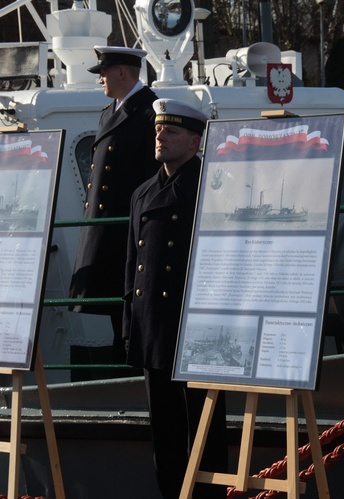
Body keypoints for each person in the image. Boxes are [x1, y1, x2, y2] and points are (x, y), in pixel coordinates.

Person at [123, 99, 227, 499]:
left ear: (195, 142)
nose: (161, 137)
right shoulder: (142, 193)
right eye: (158, 131)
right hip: (153, 328)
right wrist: (131, 328)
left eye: (172, 132)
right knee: (164, 435)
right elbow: (133, 269)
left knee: (203, 434)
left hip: (194, 330)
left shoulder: (211, 187)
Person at [69, 46, 162, 364]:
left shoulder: (151, 112)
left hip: (128, 235)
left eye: (103, 73)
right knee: (115, 315)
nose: (99, 80)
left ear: (123, 72)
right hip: (108, 236)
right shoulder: (111, 112)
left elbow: (153, 179)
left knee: (130, 320)